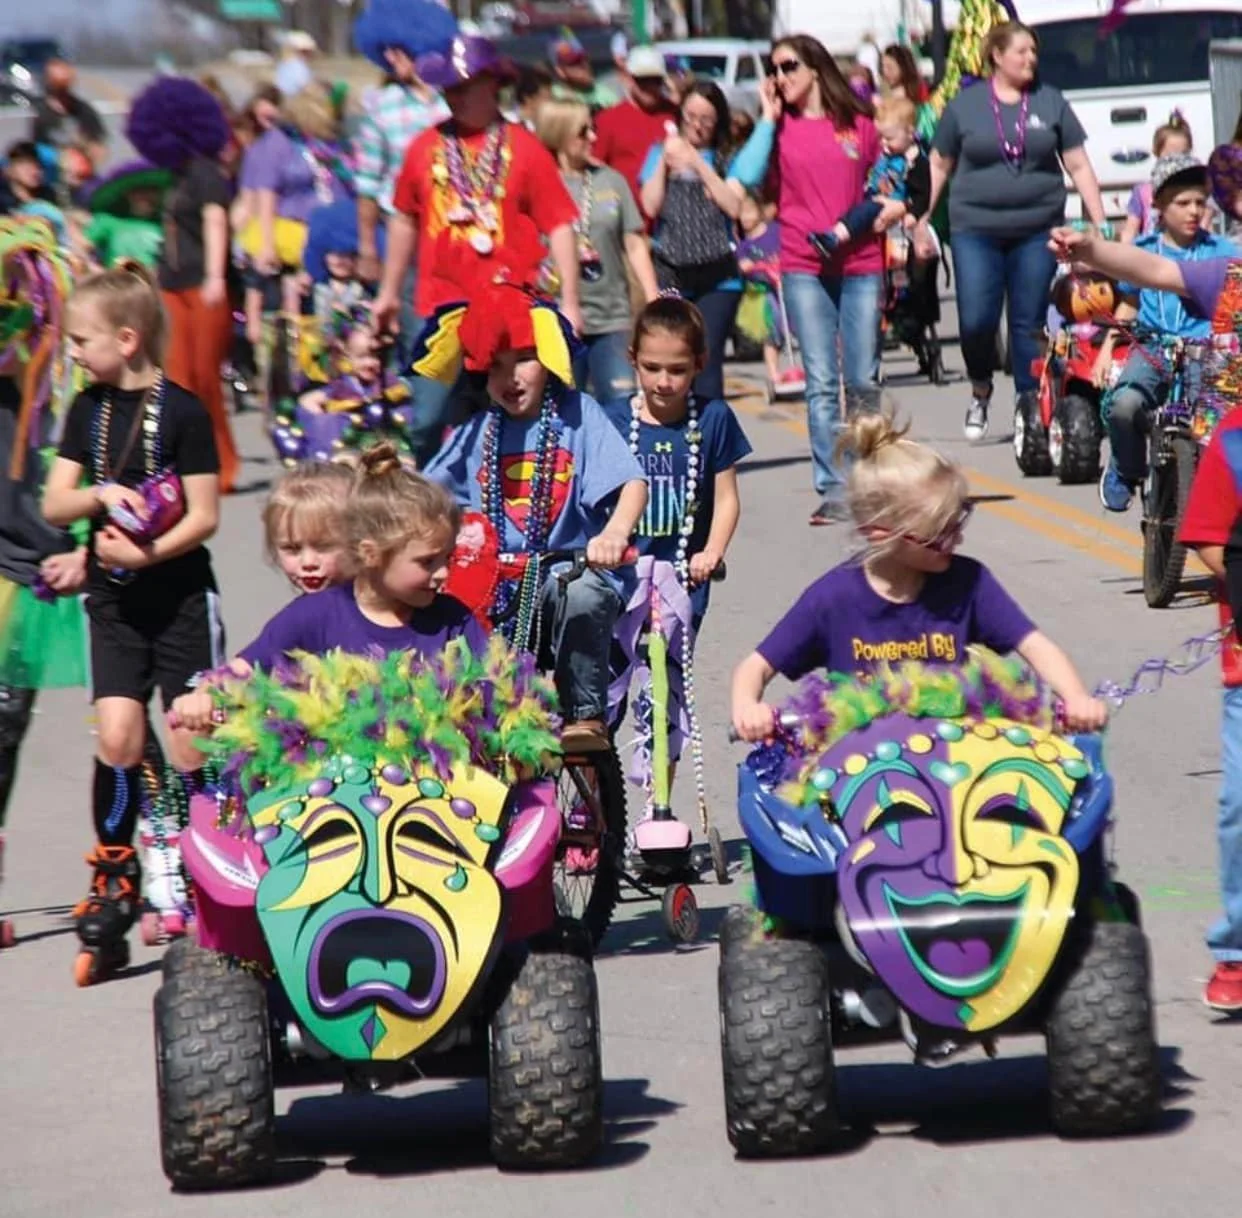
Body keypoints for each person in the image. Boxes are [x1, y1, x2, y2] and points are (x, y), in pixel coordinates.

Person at [1045, 225, 1242, 1011]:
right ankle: (1235, 948)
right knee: (1238, 810)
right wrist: (1092, 253)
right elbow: (1157, 267)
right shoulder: (1233, 440)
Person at [40, 262, 222, 976]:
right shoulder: (86, 408)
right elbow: (56, 501)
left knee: (189, 742)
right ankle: (115, 878)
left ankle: (209, 867)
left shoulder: (184, 412)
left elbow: (204, 516)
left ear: (128, 336)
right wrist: (101, 496)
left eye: (82, 339)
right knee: (117, 736)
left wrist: (147, 553)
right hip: (113, 604)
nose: (72, 352)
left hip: (178, 599)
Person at [730, 412, 1108, 741]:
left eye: (958, 521)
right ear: (879, 531)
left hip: (954, 761)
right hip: (856, 773)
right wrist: (748, 707)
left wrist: (1075, 697)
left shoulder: (969, 583)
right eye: (939, 531)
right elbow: (756, 667)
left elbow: (1035, 645)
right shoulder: (833, 599)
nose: (956, 537)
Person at [420, 252, 648, 752]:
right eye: (494, 367)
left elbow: (632, 483)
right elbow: (424, 498)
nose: (511, 378)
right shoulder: (477, 431)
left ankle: (584, 714)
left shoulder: (578, 415)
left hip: (565, 572)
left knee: (584, 593)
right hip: (496, 585)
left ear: (549, 354)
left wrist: (613, 534)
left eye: (522, 359)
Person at [171, 445, 485, 740]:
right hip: (335, 784)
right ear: (371, 554)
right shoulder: (313, 615)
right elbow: (243, 670)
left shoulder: (453, 620)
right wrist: (204, 694)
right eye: (427, 562)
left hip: (438, 782)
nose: (443, 573)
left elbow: (498, 690)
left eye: (446, 558)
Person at [373, 32, 583, 468]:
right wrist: (388, 292)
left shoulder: (525, 148)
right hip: (439, 307)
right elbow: (403, 219)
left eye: (463, 86)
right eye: (448, 88)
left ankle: (496, 507)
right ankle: (431, 503)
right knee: (427, 419)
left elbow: (560, 224)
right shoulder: (423, 147)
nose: (453, 96)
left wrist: (570, 301)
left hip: (509, 308)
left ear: (492, 85)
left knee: (505, 415)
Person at [914, 21, 1107, 444]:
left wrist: (1099, 222)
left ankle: (1030, 408)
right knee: (977, 321)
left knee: (1029, 323)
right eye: (1021, 51)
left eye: (1034, 52)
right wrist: (921, 217)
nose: (1030, 59)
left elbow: (1078, 165)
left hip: (1037, 230)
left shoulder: (1050, 101)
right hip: (975, 230)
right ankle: (980, 386)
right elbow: (939, 165)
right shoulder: (965, 106)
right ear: (996, 56)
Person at [749, 35, 905, 526]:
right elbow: (749, 177)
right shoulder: (779, 130)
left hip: (859, 264)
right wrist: (765, 118)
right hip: (802, 264)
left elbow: (891, 178)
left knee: (861, 379)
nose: (780, 77)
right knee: (819, 383)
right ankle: (835, 487)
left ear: (815, 67)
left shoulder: (859, 124)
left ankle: (869, 481)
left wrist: (898, 208)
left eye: (788, 66)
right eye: (773, 70)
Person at [0, 219, 89, 948]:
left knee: (10, 727)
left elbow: (101, 469)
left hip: (42, 570)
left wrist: (87, 549)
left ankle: (144, 871)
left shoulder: (58, 382)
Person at [1093, 155, 1236, 512]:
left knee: (1216, 424)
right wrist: (1107, 347)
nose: (1193, 211)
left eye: (1200, 203)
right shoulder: (1143, 250)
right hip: (1154, 346)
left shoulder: (1220, 252)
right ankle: (1126, 468)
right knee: (1124, 406)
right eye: (1182, 202)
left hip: (1206, 352)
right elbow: (1129, 303)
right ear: (1157, 205)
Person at [126, 76, 240, 494]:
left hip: (203, 286)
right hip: (174, 287)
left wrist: (215, 276)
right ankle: (184, 466)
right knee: (176, 378)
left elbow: (216, 221)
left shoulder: (208, 172)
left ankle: (223, 466)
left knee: (205, 378)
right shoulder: (177, 175)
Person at [605, 295, 751, 619]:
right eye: (651, 368)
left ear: (700, 363)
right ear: (633, 359)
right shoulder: (612, 420)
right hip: (621, 576)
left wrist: (712, 551)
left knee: (671, 668)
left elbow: (727, 499)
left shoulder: (713, 418)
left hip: (684, 577)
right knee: (619, 667)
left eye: (678, 370)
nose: (664, 382)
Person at [639, 81, 772, 400]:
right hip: (671, 272)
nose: (697, 125)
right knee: (672, 358)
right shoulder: (660, 152)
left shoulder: (726, 158)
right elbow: (649, 206)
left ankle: (711, 443)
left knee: (706, 362)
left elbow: (733, 206)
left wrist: (698, 163)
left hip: (718, 276)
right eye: (691, 116)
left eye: (706, 119)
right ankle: (679, 436)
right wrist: (666, 161)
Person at [536, 99, 659, 402]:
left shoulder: (612, 181)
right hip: (556, 318)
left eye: (593, 129)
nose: (593, 137)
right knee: (564, 414)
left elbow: (634, 242)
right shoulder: (538, 181)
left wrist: (653, 296)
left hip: (612, 317)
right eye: (583, 132)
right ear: (560, 134)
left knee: (622, 401)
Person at [351, 0, 452, 292]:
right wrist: (367, 247)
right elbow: (367, 185)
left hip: (455, 234)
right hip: (401, 236)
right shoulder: (381, 108)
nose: (388, 56)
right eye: (384, 49)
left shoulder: (456, 101)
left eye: (396, 49)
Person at [809, 96, 928, 258]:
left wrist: (911, 213)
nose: (884, 143)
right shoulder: (886, 153)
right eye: (881, 138)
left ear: (910, 132)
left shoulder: (914, 161)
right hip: (874, 194)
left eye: (889, 138)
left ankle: (835, 237)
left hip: (889, 203)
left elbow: (923, 194)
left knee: (865, 210)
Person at [593, 45, 680, 217]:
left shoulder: (675, 113)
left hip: (670, 215)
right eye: (643, 80)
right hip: (625, 216)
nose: (650, 87)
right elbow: (596, 168)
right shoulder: (607, 119)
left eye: (656, 80)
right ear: (629, 79)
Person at [262, 459, 354, 594]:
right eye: (292, 549)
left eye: (323, 547)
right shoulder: (297, 615)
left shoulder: (385, 611)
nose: (308, 563)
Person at [735, 188, 785, 390]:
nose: (745, 217)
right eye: (741, 213)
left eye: (749, 211)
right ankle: (773, 374)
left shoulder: (776, 231)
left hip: (784, 286)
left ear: (760, 210)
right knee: (772, 331)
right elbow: (741, 264)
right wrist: (746, 265)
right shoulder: (744, 245)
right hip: (764, 292)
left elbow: (789, 248)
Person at [1120, 113, 1194, 244]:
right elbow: (1130, 231)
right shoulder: (1143, 192)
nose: (1176, 162)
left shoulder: (1195, 192)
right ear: (1156, 153)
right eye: (1169, 156)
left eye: (1183, 155)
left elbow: (1206, 228)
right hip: (1151, 258)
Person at [83, 159, 168, 270]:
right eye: (139, 191)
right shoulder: (108, 220)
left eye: (152, 190)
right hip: (117, 284)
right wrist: (96, 271)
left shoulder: (166, 225)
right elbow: (82, 248)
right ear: (128, 194)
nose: (146, 196)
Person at [30, 59, 106, 178]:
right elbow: (35, 148)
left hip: (83, 173)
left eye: (64, 86)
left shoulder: (84, 110)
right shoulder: (41, 113)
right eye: (57, 87)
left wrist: (86, 147)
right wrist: (59, 159)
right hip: (52, 175)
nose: (62, 93)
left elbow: (99, 147)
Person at [0, 140, 68, 244]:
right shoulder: (3, 199)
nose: (33, 170)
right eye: (24, 164)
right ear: (9, 169)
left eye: (37, 166)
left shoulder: (48, 195)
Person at [549, 31, 618, 113]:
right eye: (574, 63)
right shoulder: (555, 98)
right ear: (560, 71)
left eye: (584, 59)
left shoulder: (605, 93)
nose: (583, 66)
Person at [512, 62, 554, 131]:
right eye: (546, 98)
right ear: (527, 99)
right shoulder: (509, 128)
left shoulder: (545, 129)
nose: (551, 102)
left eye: (551, 97)